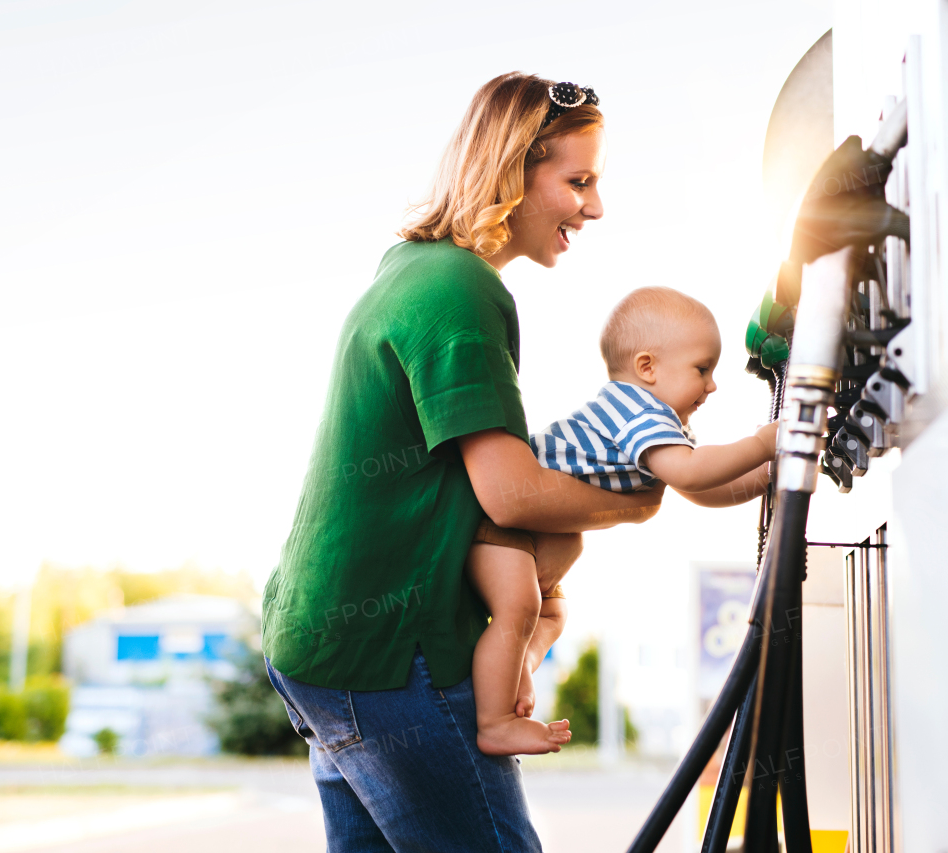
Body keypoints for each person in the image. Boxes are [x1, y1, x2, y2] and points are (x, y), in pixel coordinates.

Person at [259, 73, 669, 853]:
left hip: (321, 642)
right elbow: (510, 492)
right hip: (388, 654)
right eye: (577, 181)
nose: (595, 206)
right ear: (513, 169)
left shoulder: (409, 269)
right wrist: (636, 500)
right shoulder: (460, 287)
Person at [468, 286, 777, 756]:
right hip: (503, 528)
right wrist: (761, 444)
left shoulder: (658, 418)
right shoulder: (636, 410)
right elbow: (691, 472)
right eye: (702, 369)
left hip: (533, 538)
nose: (712, 385)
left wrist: (769, 475)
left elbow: (698, 488)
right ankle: (494, 722)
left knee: (550, 614)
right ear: (647, 367)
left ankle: (517, 675)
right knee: (520, 610)